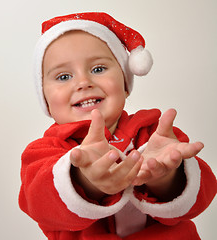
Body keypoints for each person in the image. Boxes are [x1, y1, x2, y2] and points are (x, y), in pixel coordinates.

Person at [19, 12, 216, 239]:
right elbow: (39, 203)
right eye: (64, 77)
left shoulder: (158, 136)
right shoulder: (42, 154)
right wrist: (86, 180)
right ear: (45, 98)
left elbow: (202, 197)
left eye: (98, 69)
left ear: (124, 82)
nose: (83, 83)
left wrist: (166, 178)